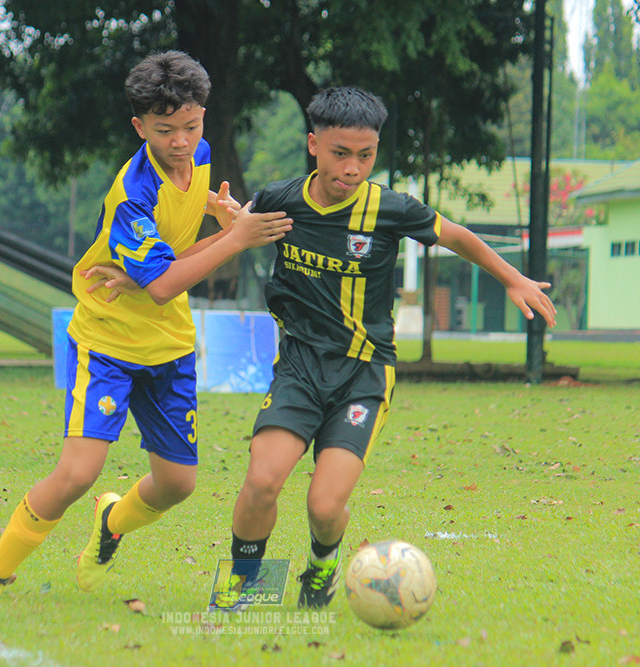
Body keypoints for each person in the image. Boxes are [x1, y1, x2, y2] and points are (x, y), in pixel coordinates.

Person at [0, 50, 292, 604]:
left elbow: (174, 254)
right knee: (77, 474)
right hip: (108, 343)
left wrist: (217, 212)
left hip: (170, 346)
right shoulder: (131, 195)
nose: (181, 141)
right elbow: (164, 283)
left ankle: (111, 522)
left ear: (202, 117)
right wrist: (236, 237)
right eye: (165, 131)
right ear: (140, 127)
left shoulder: (200, 154)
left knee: (178, 484)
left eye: (190, 125)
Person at [225, 86, 557, 608]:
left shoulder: (391, 210)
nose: (353, 168)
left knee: (325, 505)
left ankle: (322, 565)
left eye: (366, 155)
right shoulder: (279, 200)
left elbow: (458, 236)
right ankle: (246, 585)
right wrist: (220, 233)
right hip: (299, 368)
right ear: (313, 145)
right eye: (340, 153)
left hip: (364, 375)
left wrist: (513, 278)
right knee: (262, 481)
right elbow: (233, 236)